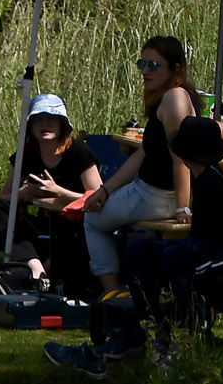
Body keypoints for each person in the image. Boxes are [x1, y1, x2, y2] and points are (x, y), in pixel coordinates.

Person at [46, 116, 223, 376]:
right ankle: (153, 326)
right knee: (139, 251)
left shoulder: (214, 184)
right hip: (209, 248)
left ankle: (183, 336)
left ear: (186, 154)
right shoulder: (202, 179)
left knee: (177, 256)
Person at [81, 36, 201, 302]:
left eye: (154, 65)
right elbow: (144, 153)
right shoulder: (175, 96)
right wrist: (105, 189)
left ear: (176, 70)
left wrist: (183, 208)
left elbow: (180, 156)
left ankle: (113, 294)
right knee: (96, 205)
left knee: (92, 220)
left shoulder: (173, 99)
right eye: (142, 64)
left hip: (157, 196)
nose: (145, 71)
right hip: (157, 193)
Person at [4, 92, 104, 296]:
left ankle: (46, 269)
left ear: (62, 125)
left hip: (75, 218)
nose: (45, 124)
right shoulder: (27, 153)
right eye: (39, 120)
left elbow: (100, 197)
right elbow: (5, 197)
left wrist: (58, 192)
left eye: (51, 119)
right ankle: (36, 268)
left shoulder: (77, 151)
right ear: (30, 126)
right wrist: (24, 194)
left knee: (70, 221)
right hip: (40, 218)